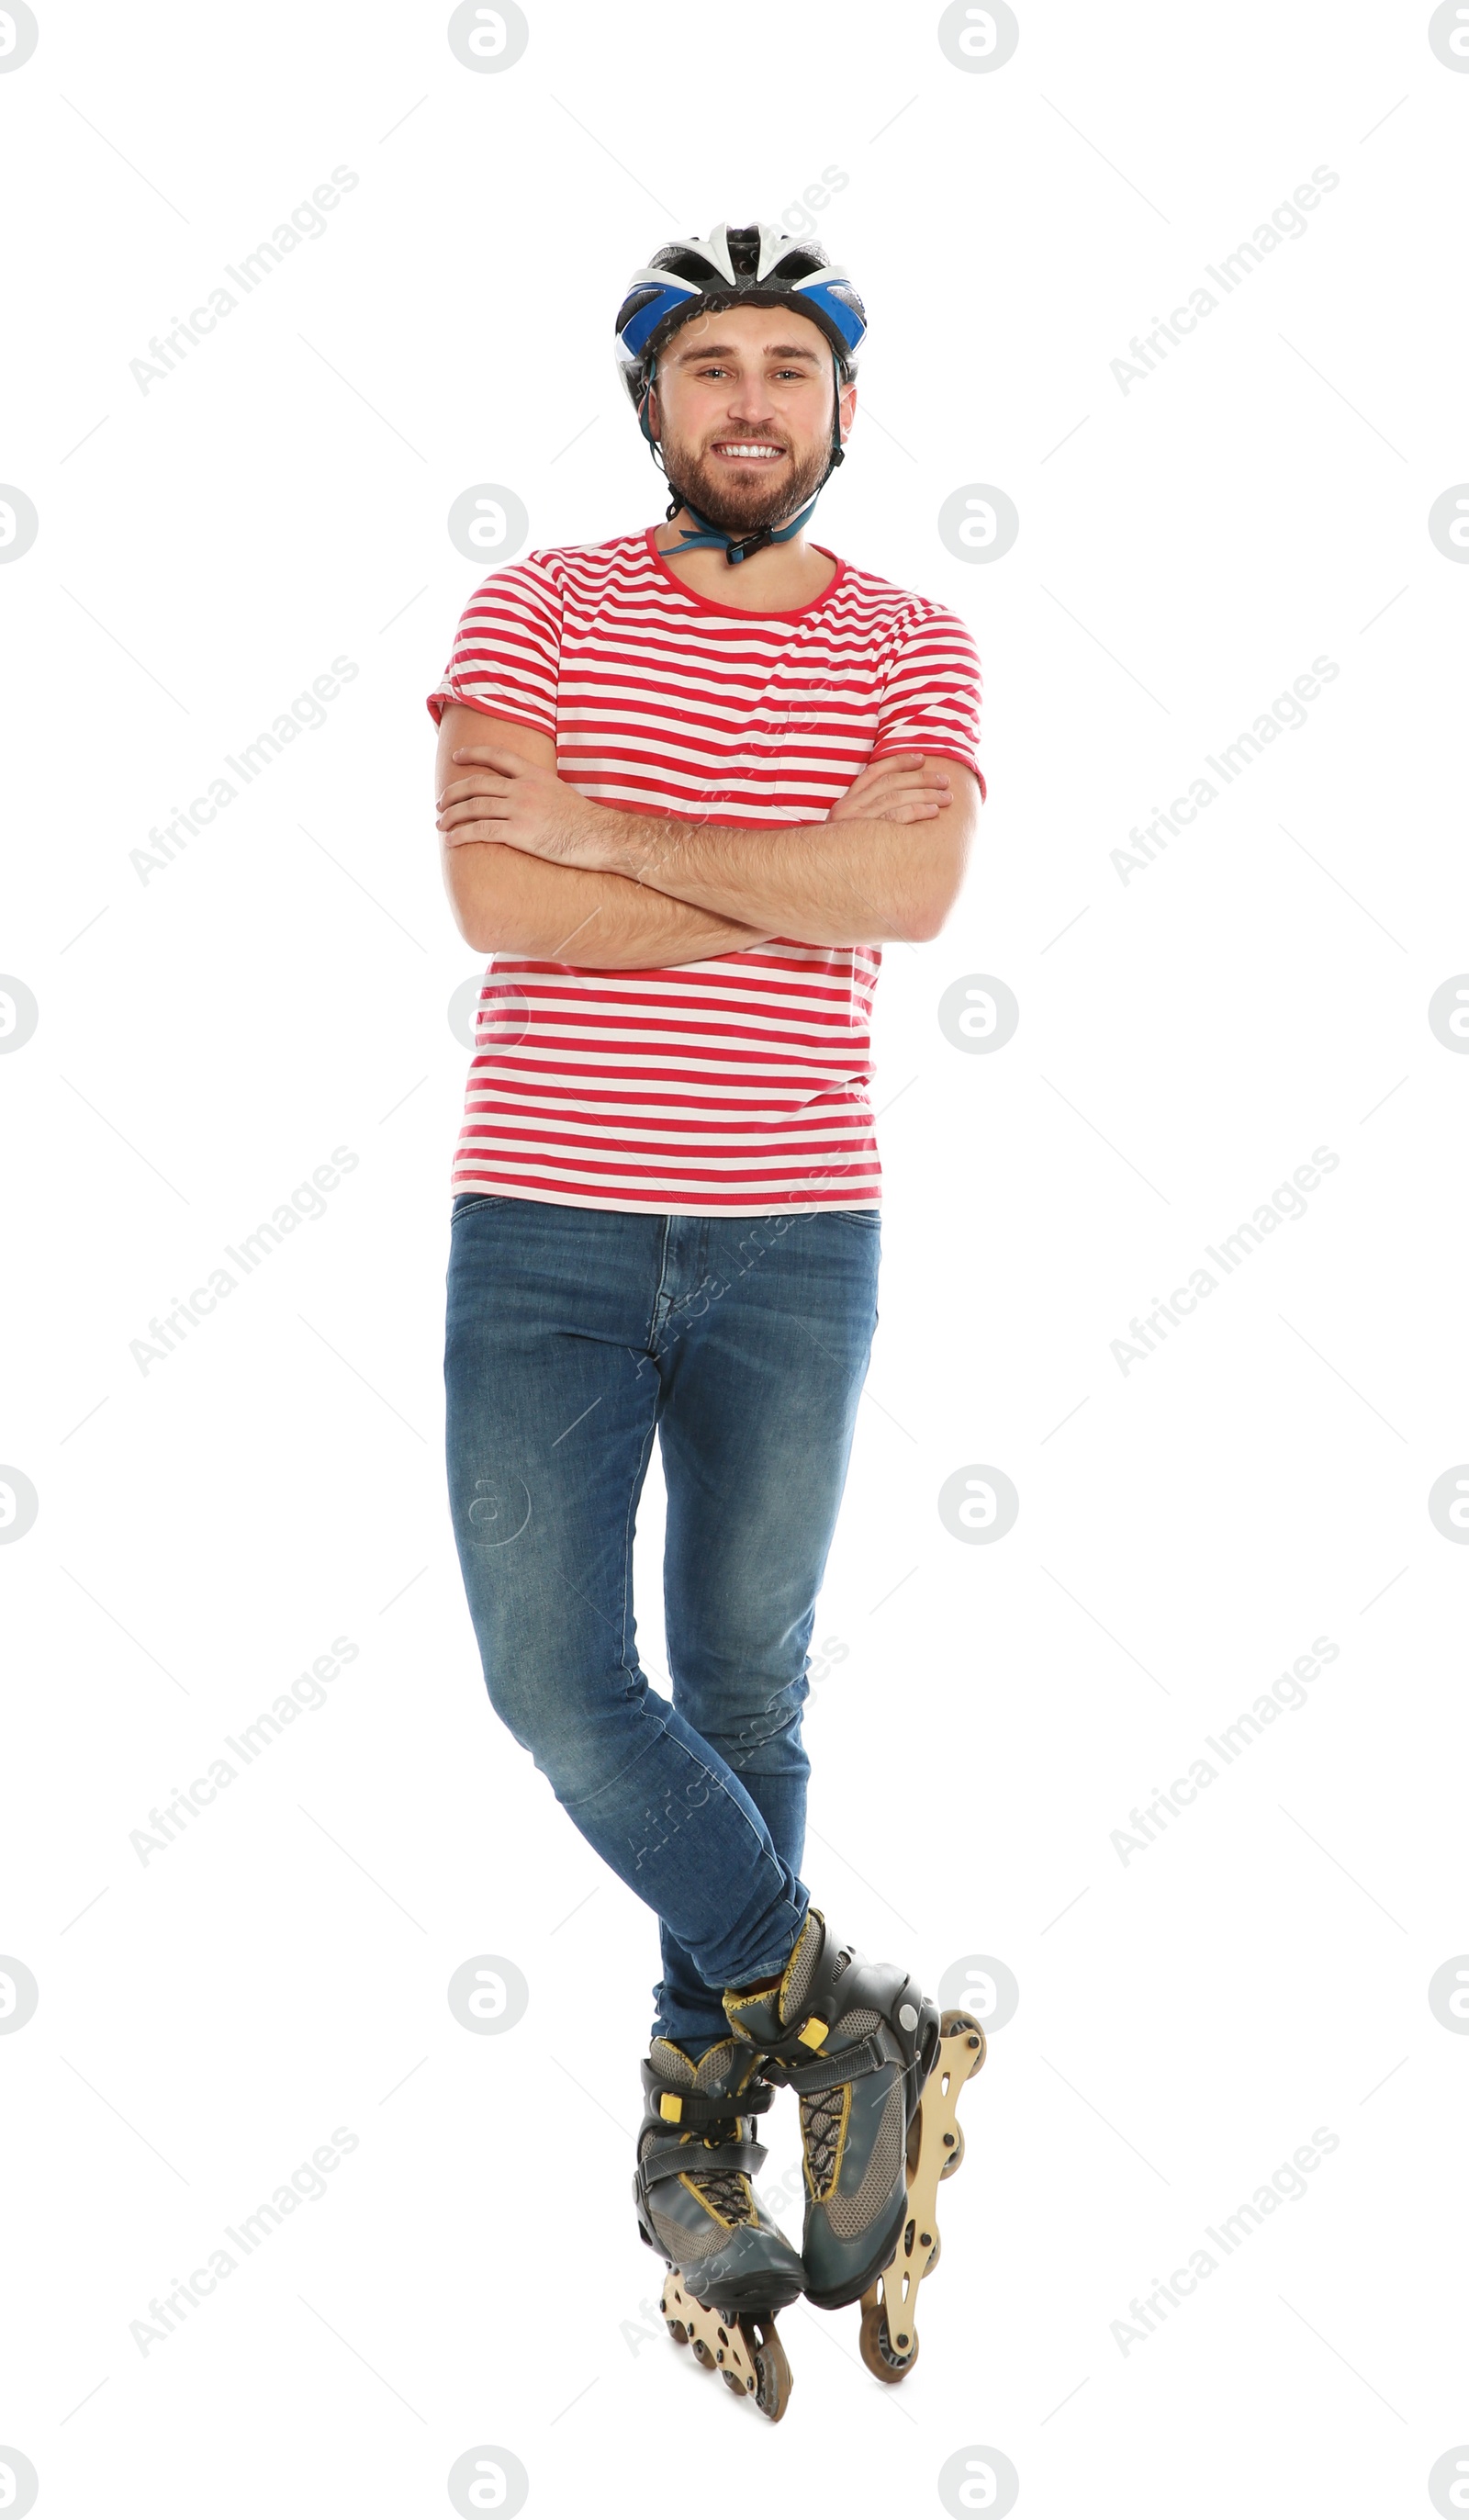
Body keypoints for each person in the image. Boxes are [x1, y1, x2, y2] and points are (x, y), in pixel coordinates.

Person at [428, 221, 987, 2413]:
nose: (746, 403)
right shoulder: (535, 603)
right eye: (706, 370)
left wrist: (610, 831)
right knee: (557, 1676)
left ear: (841, 413)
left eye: (786, 370)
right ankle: (827, 1996)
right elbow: (493, 893)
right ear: (650, 408)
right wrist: (760, 851)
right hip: (544, 1222)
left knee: (739, 1680)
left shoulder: (915, 638)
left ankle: (694, 2122)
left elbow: (910, 889)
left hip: (792, 1227)